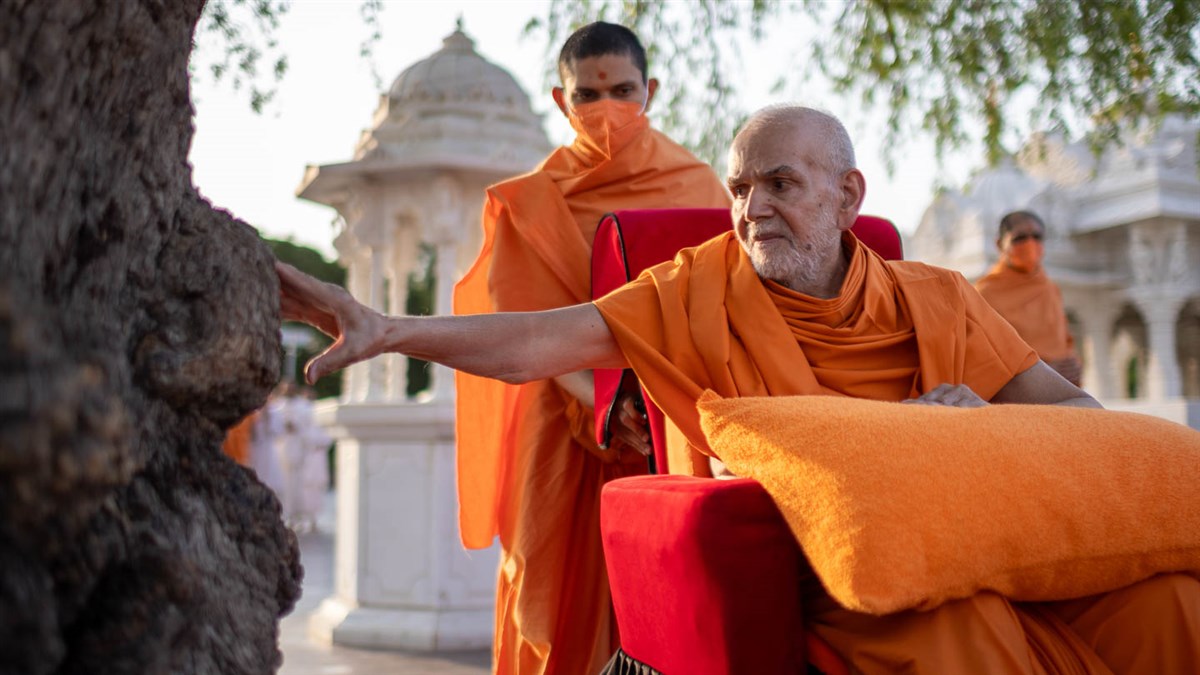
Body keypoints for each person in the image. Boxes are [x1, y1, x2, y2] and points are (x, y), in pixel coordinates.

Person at [277, 105, 1199, 675]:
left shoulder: (936, 297)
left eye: (782, 184)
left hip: (977, 538)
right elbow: (534, 344)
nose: (754, 206)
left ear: (848, 195)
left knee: (1171, 609)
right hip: (841, 568)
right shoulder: (695, 288)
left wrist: (972, 433)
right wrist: (389, 328)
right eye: (740, 186)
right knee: (963, 625)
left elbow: (1074, 416)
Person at [451, 21, 729, 674]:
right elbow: (524, 325)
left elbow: (721, 306)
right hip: (565, 423)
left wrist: (653, 404)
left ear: (651, 90)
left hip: (674, 424)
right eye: (588, 95)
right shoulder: (530, 201)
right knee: (553, 598)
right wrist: (604, 407)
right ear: (560, 100)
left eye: (622, 91)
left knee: (672, 596)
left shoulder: (700, 184)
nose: (606, 110)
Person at [976, 210, 1083, 385]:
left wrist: (1074, 365)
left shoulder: (1049, 288)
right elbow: (984, 356)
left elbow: (1064, 342)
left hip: (1063, 387)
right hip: (1019, 389)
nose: (1030, 244)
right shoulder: (985, 293)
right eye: (1019, 238)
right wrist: (1042, 371)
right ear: (999, 244)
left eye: (1037, 237)